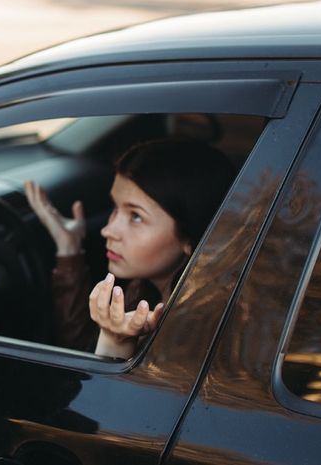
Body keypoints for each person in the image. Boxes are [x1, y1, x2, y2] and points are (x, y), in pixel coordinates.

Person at [25, 137, 235, 359]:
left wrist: (116, 346)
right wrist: (69, 247)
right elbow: (84, 350)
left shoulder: (193, 337)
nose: (108, 230)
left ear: (190, 238)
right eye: (115, 208)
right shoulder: (143, 288)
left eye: (135, 216)